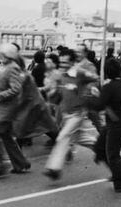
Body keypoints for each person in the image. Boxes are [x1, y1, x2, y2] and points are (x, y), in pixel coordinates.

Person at [43, 49, 97, 180]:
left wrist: (89, 89)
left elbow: (95, 78)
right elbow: (58, 95)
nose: (62, 65)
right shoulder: (62, 76)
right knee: (83, 139)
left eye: (65, 62)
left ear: (72, 62)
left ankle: (54, 169)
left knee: (63, 136)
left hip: (78, 113)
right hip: (66, 114)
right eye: (61, 62)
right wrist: (53, 93)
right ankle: (107, 151)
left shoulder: (80, 73)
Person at [0, 43, 30, 179]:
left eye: (2, 55)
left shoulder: (13, 68)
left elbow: (15, 89)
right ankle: (21, 163)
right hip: (0, 108)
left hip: (6, 109)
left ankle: (0, 165)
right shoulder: (5, 67)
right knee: (6, 137)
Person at [94, 59, 121, 193]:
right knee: (100, 147)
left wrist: (94, 96)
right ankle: (118, 169)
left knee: (112, 154)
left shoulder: (108, 87)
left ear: (106, 73)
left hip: (116, 125)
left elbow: (99, 106)